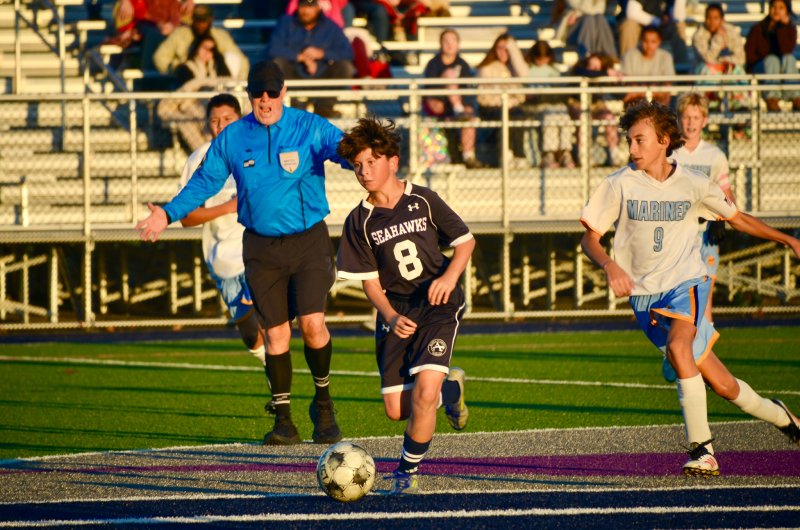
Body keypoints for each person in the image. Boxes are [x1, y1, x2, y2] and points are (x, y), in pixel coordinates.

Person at [580, 100, 800, 476]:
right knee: (725, 386)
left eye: (639, 140)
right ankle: (781, 416)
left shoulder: (695, 183)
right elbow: (590, 238)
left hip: (687, 284)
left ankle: (703, 451)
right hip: (645, 298)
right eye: (629, 141)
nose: (631, 149)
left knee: (679, 347)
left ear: (664, 140)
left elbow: (737, 218)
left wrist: (788, 241)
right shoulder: (618, 184)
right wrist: (609, 264)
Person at [136, 60, 347, 446]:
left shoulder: (308, 126)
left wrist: (369, 162)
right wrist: (167, 213)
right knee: (277, 334)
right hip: (261, 247)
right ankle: (284, 420)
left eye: (271, 92)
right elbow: (204, 183)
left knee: (313, 324)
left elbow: (345, 150)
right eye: (257, 93)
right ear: (250, 95)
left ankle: (324, 404)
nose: (264, 100)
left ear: (284, 92)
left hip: (308, 242)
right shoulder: (233, 137)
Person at [336, 116, 474, 494]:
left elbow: (465, 242)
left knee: (425, 393)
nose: (364, 172)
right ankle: (451, 388)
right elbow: (369, 281)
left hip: (437, 304)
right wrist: (391, 315)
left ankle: (405, 472)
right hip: (395, 312)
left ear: (392, 161)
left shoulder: (423, 199)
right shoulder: (358, 221)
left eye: (371, 162)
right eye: (357, 166)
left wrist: (448, 279)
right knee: (397, 410)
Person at [175, 93, 268, 382]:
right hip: (222, 259)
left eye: (228, 119)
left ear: (240, 120)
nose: (221, 125)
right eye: (214, 121)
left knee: (272, 323)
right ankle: (271, 370)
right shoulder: (199, 159)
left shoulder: (258, 150)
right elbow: (188, 218)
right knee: (250, 332)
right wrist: (228, 206)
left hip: (259, 252)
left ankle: (281, 394)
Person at [268, 0, 356, 118]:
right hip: (294, 75)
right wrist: (300, 57)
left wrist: (322, 54)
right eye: (303, 6)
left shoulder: (331, 26)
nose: (306, 11)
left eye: (310, 6)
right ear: (298, 7)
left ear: (318, 8)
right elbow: (273, 48)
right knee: (277, 63)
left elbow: (348, 53)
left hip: (323, 76)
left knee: (345, 66)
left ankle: (324, 109)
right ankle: (294, 106)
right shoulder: (286, 22)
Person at [422, 28, 486, 169]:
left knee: (469, 116)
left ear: (458, 44)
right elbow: (430, 93)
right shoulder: (433, 64)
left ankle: (468, 156)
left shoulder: (463, 65)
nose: (449, 44)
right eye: (446, 41)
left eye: (453, 41)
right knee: (450, 74)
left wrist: (467, 107)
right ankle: (458, 110)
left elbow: (468, 92)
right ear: (440, 44)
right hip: (438, 105)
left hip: (457, 107)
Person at [156, 35, 232, 152]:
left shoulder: (216, 67)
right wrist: (203, 82)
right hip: (188, 105)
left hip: (209, 105)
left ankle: (216, 151)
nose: (207, 52)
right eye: (204, 48)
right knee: (198, 118)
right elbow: (186, 90)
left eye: (211, 49)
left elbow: (228, 80)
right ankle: (205, 154)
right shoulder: (185, 67)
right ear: (196, 48)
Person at [153, 4, 250, 81]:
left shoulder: (220, 36)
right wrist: (177, 68)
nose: (201, 25)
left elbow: (241, 61)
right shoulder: (180, 34)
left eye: (204, 21)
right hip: (188, 80)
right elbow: (160, 57)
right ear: (193, 20)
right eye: (198, 20)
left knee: (231, 57)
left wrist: (238, 82)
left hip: (215, 80)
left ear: (210, 20)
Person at [476, 33, 529, 165]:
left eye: (507, 49)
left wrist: (513, 49)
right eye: (500, 48)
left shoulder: (514, 69)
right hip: (490, 108)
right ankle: (505, 154)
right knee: (506, 115)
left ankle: (519, 155)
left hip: (512, 108)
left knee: (518, 114)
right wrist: (505, 102)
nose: (503, 52)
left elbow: (524, 77)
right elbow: (483, 97)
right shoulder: (486, 68)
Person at [527, 40, 576, 169]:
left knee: (562, 113)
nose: (542, 61)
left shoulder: (554, 70)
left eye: (545, 58)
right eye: (539, 58)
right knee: (550, 114)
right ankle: (549, 153)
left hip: (554, 104)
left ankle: (565, 151)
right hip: (536, 106)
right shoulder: (528, 70)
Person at [744, 0, 800, 112]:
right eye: (774, 6)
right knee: (772, 60)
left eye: (781, 8)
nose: (776, 11)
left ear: (786, 11)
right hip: (761, 67)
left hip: (781, 67)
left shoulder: (790, 29)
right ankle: (771, 97)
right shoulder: (758, 28)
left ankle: (794, 96)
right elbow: (749, 53)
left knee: (789, 58)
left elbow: (786, 50)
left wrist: (783, 28)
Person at [569, 53, 623, 166]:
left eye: (596, 67)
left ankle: (614, 155)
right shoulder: (579, 69)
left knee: (610, 118)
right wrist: (605, 73)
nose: (593, 69)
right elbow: (588, 74)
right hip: (578, 104)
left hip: (596, 105)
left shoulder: (602, 76)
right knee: (583, 119)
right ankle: (583, 157)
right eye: (591, 65)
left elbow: (619, 94)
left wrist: (615, 79)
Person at [691, 3, 747, 110]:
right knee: (708, 69)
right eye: (709, 17)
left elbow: (741, 58)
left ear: (722, 19)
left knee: (737, 70)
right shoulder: (699, 35)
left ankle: (739, 107)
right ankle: (709, 106)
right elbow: (708, 59)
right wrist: (718, 38)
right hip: (703, 72)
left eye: (715, 18)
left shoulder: (731, 32)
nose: (711, 21)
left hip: (727, 71)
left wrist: (723, 61)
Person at [617, 0, 688, 66]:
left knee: (679, 25)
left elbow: (679, 17)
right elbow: (632, 13)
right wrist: (657, 21)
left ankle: (683, 68)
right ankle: (627, 65)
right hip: (641, 26)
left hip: (662, 28)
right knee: (630, 25)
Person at [621, 26, 675, 107]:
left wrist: (644, 92)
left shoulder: (666, 57)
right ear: (641, 40)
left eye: (653, 41)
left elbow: (667, 86)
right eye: (645, 41)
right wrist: (652, 92)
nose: (649, 45)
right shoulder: (629, 55)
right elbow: (629, 86)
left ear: (659, 42)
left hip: (658, 102)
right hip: (635, 103)